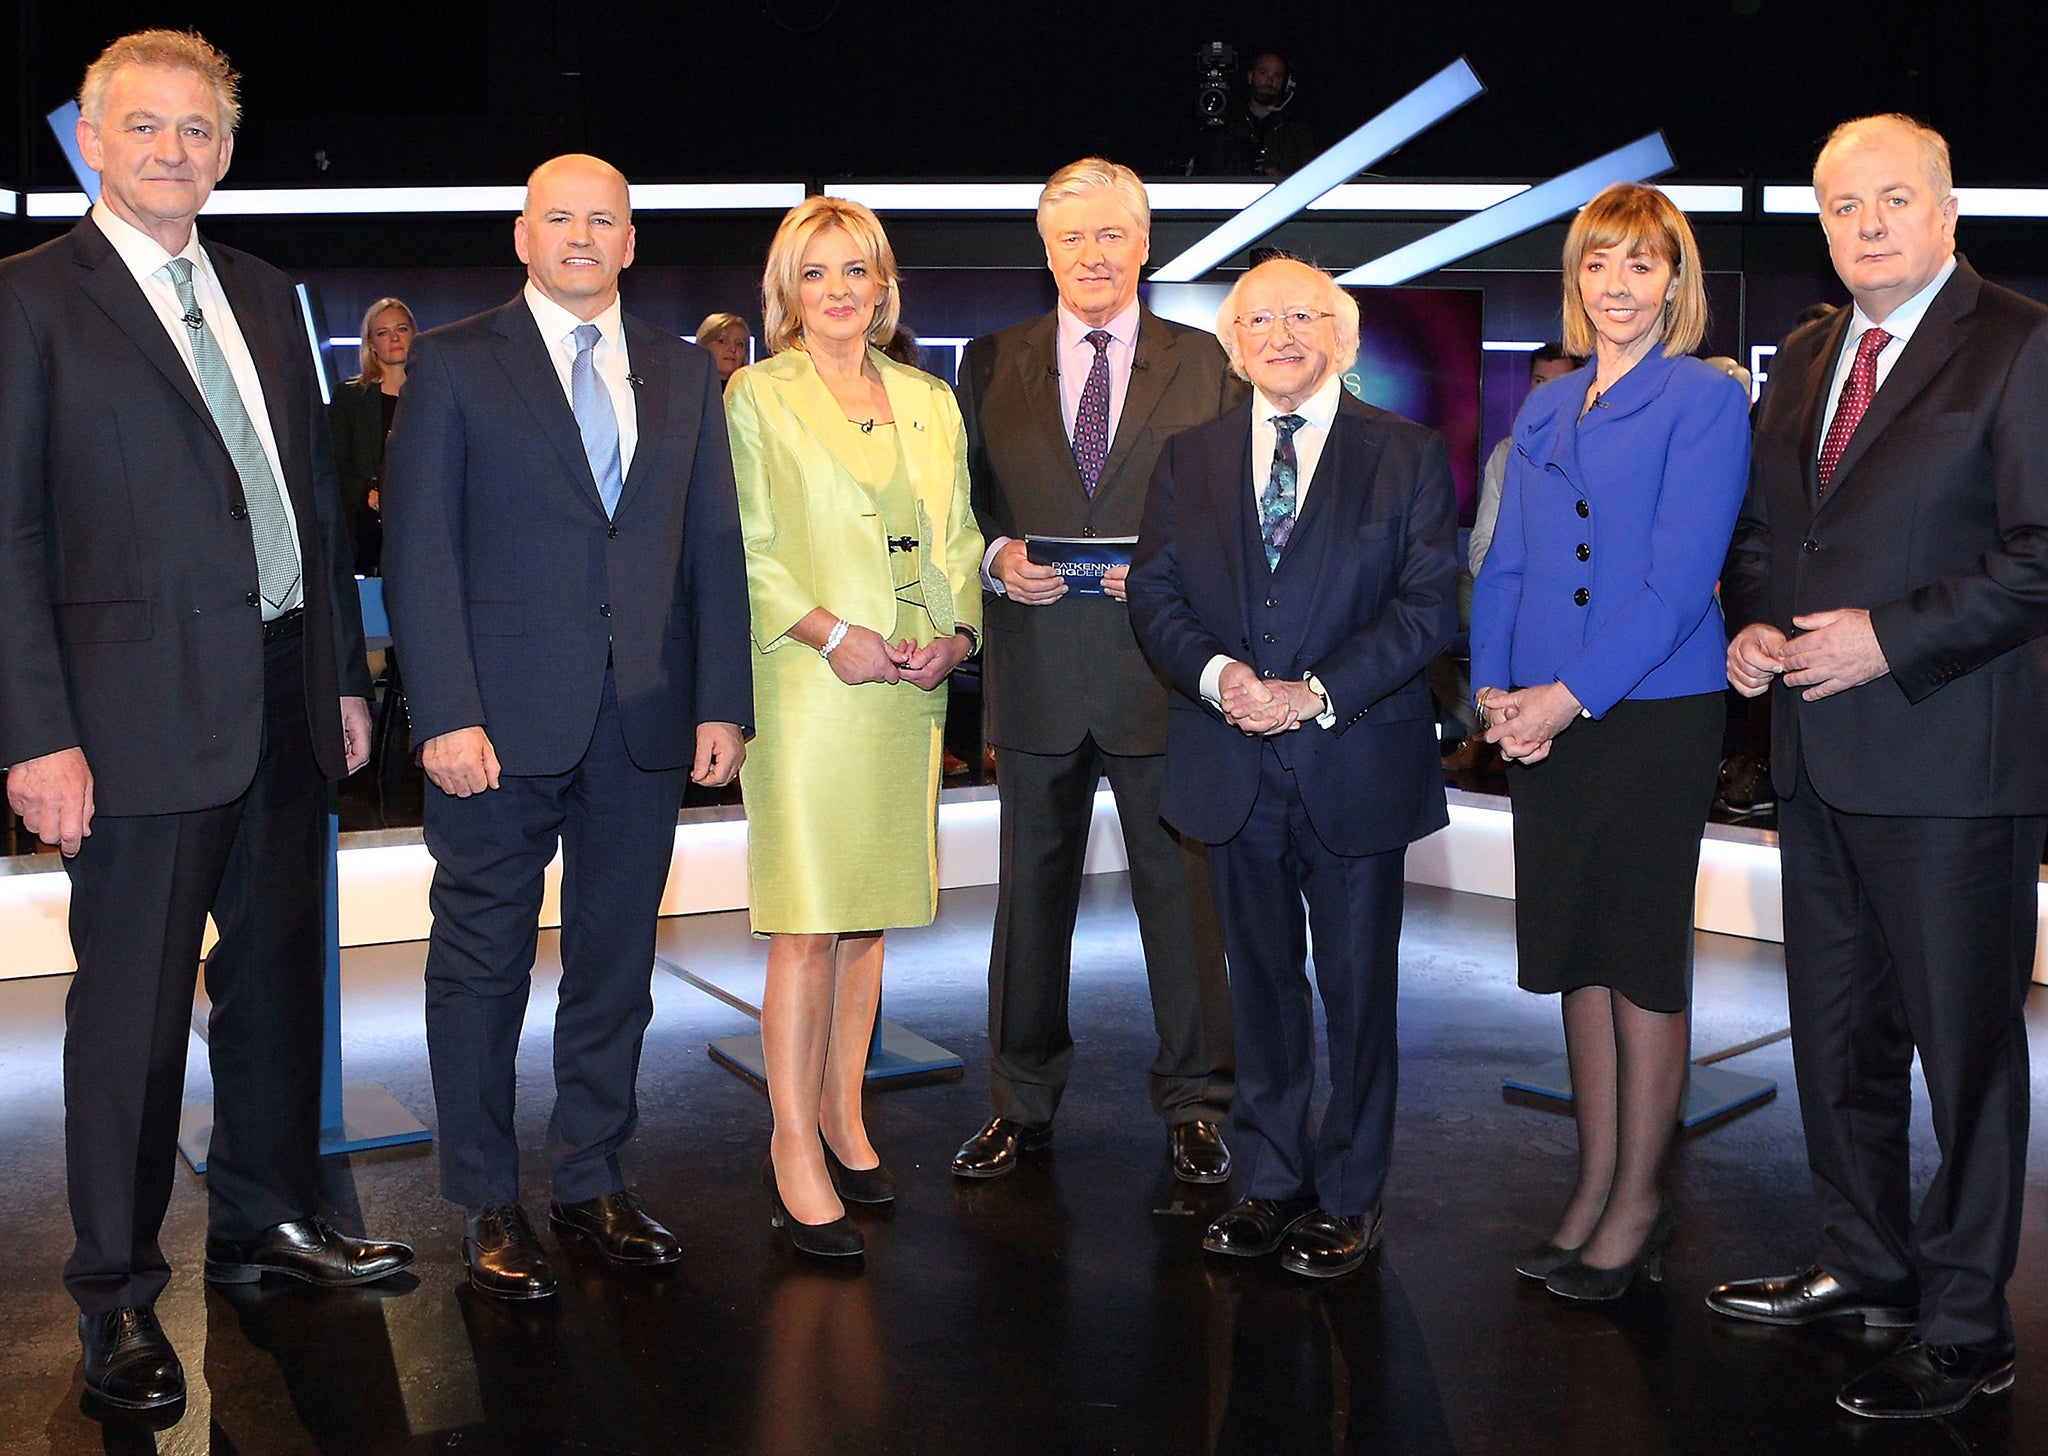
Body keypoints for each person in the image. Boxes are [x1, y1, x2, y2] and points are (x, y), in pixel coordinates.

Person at [0, 29, 413, 1413]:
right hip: (123, 733)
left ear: (227, 152)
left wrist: (345, 677)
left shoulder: (264, 287)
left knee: (281, 989)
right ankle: (116, 1296)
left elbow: (303, 495)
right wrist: (34, 734)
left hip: (288, 702)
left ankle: (264, 1221)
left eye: (201, 130)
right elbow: (5, 537)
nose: (176, 150)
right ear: (94, 142)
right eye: (149, 127)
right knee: (127, 1023)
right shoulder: (28, 300)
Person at [1714, 114, 2048, 1420]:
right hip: (1815, 762)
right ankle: (1866, 1267)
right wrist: (1752, 621)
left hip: (1955, 767)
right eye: (1842, 208)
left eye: (1892, 200)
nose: (1865, 226)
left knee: (1965, 1059)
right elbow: (1763, 535)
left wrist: (1887, 640)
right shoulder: (1805, 356)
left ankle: (1968, 1328)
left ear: (1948, 210)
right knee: (1838, 1042)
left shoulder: (2018, 345)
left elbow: (2041, 550)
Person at [382, 154, 752, 1300]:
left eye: (604, 219)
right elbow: (420, 553)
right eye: (560, 218)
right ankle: (487, 1198)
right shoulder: (449, 363)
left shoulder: (686, 374)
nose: (582, 235)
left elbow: (712, 546)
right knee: (481, 965)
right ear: (522, 233)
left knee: (614, 964)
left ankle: (590, 1177)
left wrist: (721, 700)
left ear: (631, 241)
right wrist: (443, 710)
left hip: (642, 719)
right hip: (492, 726)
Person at [1128, 256, 1458, 1279]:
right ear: (1230, 344)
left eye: (1303, 315)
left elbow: (1426, 607)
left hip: (1352, 758)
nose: (1280, 333)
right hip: (1227, 761)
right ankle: (1271, 1180)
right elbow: (1154, 592)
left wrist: (1309, 690)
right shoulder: (1188, 456)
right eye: (1258, 318)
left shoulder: (1403, 456)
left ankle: (1350, 1198)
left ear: (1342, 337)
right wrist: (1223, 675)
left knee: (1358, 993)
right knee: (1259, 986)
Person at [1469, 183, 1750, 1301]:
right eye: (1598, 265)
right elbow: (1506, 564)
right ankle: (1589, 1185)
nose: (1617, 286)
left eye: (1640, 265)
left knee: (1636, 960)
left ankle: (1638, 1201)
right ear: (1575, 282)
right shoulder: (1545, 406)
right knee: (1574, 958)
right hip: (1540, 717)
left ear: (1672, 282)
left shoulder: (1703, 401)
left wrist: (1560, 696)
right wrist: (1494, 688)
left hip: (1645, 714)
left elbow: (1676, 586)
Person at [950, 158, 1239, 1185]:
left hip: (1161, 673)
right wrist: (991, 558)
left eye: (1110, 235)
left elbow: (1231, 513)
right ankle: (1018, 1104)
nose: (1092, 256)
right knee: (1027, 900)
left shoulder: (1206, 362)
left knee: (1182, 897)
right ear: (1044, 248)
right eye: (1071, 238)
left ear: (1145, 243)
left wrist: (1168, 574)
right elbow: (964, 505)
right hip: (1033, 673)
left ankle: (1197, 1106)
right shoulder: (985, 362)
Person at [725, 197, 983, 1257]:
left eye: (856, 271)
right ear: (789, 292)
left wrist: (957, 636)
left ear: (883, 287)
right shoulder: (755, 394)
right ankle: (791, 1139)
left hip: (909, 686)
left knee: (869, 914)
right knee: (807, 917)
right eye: (817, 272)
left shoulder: (929, 397)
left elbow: (962, 534)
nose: (839, 291)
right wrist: (834, 633)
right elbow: (746, 546)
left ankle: (842, 1114)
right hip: (808, 682)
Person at [1443, 342, 1580, 774]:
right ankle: (1478, 727)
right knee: (1430, 616)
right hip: (1506, 585)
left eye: (1560, 382)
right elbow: (1483, 542)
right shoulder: (1507, 452)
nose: (1548, 392)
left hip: (1572, 597)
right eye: (1540, 381)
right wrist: (1510, 589)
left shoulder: (1601, 449)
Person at [329, 296, 416, 573]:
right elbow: (335, 463)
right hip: (368, 534)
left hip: (424, 527)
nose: (394, 338)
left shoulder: (435, 394)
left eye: (401, 329)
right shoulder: (350, 397)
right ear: (371, 344)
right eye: (382, 332)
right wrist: (366, 492)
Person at [1212, 51, 1316, 176]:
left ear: (1286, 83)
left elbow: (1311, 176)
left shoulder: (1297, 129)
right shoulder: (1229, 123)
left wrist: (1281, 178)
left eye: (1277, 76)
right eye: (1263, 73)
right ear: (1250, 77)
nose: (1269, 80)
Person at [696, 310, 751, 384]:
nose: (733, 349)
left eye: (739, 344)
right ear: (704, 344)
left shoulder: (753, 390)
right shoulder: (685, 386)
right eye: (722, 341)